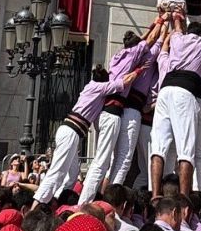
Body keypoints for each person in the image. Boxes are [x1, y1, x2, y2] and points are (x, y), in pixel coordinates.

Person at [33, 64, 141, 205]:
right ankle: (36, 207)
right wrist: (139, 69)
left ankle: (59, 202)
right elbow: (124, 82)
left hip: (69, 130)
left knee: (73, 174)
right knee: (57, 172)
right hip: (72, 132)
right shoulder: (99, 87)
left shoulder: (89, 86)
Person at [79, 23, 160, 204]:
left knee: (108, 160)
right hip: (117, 112)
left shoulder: (118, 56)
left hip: (109, 113)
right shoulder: (134, 56)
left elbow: (145, 40)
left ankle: (97, 199)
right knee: (116, 160)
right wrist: (162, 22)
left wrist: (156, 23)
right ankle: (96, 202)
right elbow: (154, 41)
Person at [149, 15, 201, 198]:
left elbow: (175, 30)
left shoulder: (177, 39)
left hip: (165, 92)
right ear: (200, 35)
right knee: (187, 150)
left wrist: (176, 17)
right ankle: (184, 199)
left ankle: (154, 195)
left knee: (158, 148)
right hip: (184, 93)